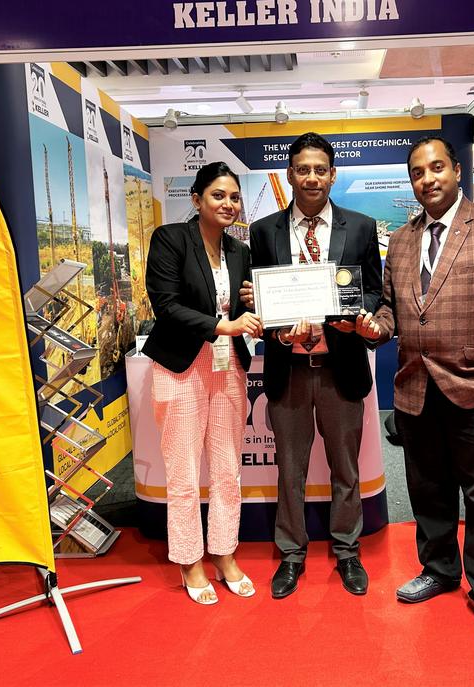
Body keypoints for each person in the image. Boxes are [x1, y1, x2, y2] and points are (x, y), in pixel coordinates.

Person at [358, 136, 474, 641]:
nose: (428, 179)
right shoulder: (399, 240)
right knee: (428, 491)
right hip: (416, 389)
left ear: (456, 171)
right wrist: (376, 326)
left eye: (437, 167)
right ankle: (439, 569)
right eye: (418, 172)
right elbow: (394, 309)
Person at [241, 132, 382, 598]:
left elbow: (375, 293)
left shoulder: (360, 227)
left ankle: (346, 551)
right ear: (290, 175)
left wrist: (356, 320)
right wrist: (278, 330)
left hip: (341, 368)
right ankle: (291, 556)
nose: (312, 177)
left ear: (333, 174)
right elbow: (259, 306)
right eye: (303, 169)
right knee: (290, 471)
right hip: (290, 370)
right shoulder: (263, 232)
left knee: (346, 468)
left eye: (320, 169)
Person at [143, 161, 263, 605]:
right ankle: (190, 560)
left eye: (234, 196)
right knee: (184, 472)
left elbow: (242, 303)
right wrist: (223, 325)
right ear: (197, 199)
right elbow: (166, 305)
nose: (228, 204)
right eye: (218, 195)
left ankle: (225, 553)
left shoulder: (239, 251)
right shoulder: (171, 239)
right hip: (180, 366)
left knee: (228, 468)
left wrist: (253, 304)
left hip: (227, 367)